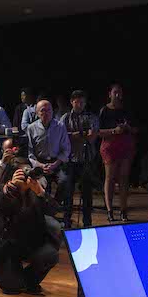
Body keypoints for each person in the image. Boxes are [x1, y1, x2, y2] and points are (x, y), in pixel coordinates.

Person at [0, 161, 61, 295]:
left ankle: (29, 280)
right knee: (12, 288)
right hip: (6, 246)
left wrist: (41, 193)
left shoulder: (35, 191)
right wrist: (12, 187)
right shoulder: (7, 191)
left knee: (50, 255)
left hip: (30, 242)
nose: (26, 177)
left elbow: (54, 210)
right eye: (22, 173)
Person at [97, 83, 138, 222]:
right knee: (110, 178)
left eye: (120, 92)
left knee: (124, 178)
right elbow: (98, 132)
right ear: (109, 94)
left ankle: (123, 210)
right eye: (115, 92)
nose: (118, 95)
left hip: (126, 145)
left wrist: (127, 128)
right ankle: (109, 210)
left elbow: (136, 129)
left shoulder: (126, 110)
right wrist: (114, 131)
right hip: (109, 146)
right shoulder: (104, 110)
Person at [59, 90, 99, 229]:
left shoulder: (91, 117)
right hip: (70, 160)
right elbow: (62, 137)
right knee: (68, 193)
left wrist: (74, 135)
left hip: (86, 160)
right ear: (72, 102)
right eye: (77, 102)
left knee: (87, 194)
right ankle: (67, 221)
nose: (80, 105)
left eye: (83, 102)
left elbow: (92, 137)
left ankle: (87, 223)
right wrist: (81, 134)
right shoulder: (65, 118)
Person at [25, 99, 70, 196]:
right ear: (37, 113)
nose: (46, 113)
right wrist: (41, 165)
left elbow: (66, 149)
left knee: (64, 181)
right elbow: (30, 152)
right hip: (39, 163)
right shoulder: (31, 128)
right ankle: (46, 203)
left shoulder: (60, 126)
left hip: (56, 163)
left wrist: (55, 164)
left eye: (49, 110)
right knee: (42, 187)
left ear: (52, 112)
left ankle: (55, 203)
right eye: (43, 110)